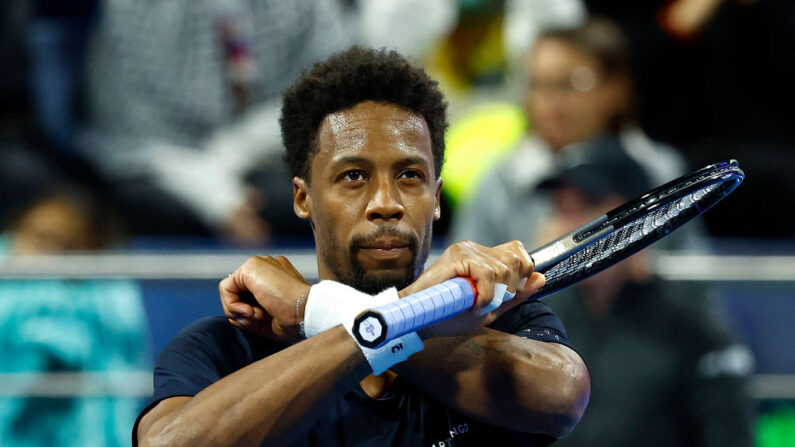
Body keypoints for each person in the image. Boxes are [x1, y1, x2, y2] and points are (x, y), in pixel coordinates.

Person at [133, 47, 590, 447]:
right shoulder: (225, 346)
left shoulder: (506, 320)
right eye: (353, 177)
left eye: (410, 176)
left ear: (435, 198)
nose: (386, 204)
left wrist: (316, 309)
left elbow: (563, 396)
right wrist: (409, 311)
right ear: (303, 198)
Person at [534, 149, 755, 447]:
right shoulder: (542, 321)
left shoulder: (695, 331)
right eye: (562, 208)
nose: (572, 229)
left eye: (588, 206)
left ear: (642, 222)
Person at [449, 18, 696, 249]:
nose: (547, 103)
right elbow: (465, 279)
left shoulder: (661, 173)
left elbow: (697, 278)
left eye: (567, 84)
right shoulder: (499, 183)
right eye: (537, 85)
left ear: (617, 88)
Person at [0, 186, 150, 446]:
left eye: (57, 242)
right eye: (36, 235)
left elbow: (105, 355)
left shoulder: (100, 296)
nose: (39, 254)